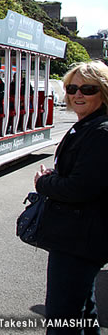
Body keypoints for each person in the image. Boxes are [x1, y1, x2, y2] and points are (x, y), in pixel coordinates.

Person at [34, 61, 108, 334]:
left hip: (80, 240)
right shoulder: (89, 126)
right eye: (72, 88)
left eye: (88, 89)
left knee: (62, 318)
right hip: (79, 236)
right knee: (84, 312)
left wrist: (44, 182)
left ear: (103, 92)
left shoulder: (100, 132)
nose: (78, 94)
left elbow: (80, 188)